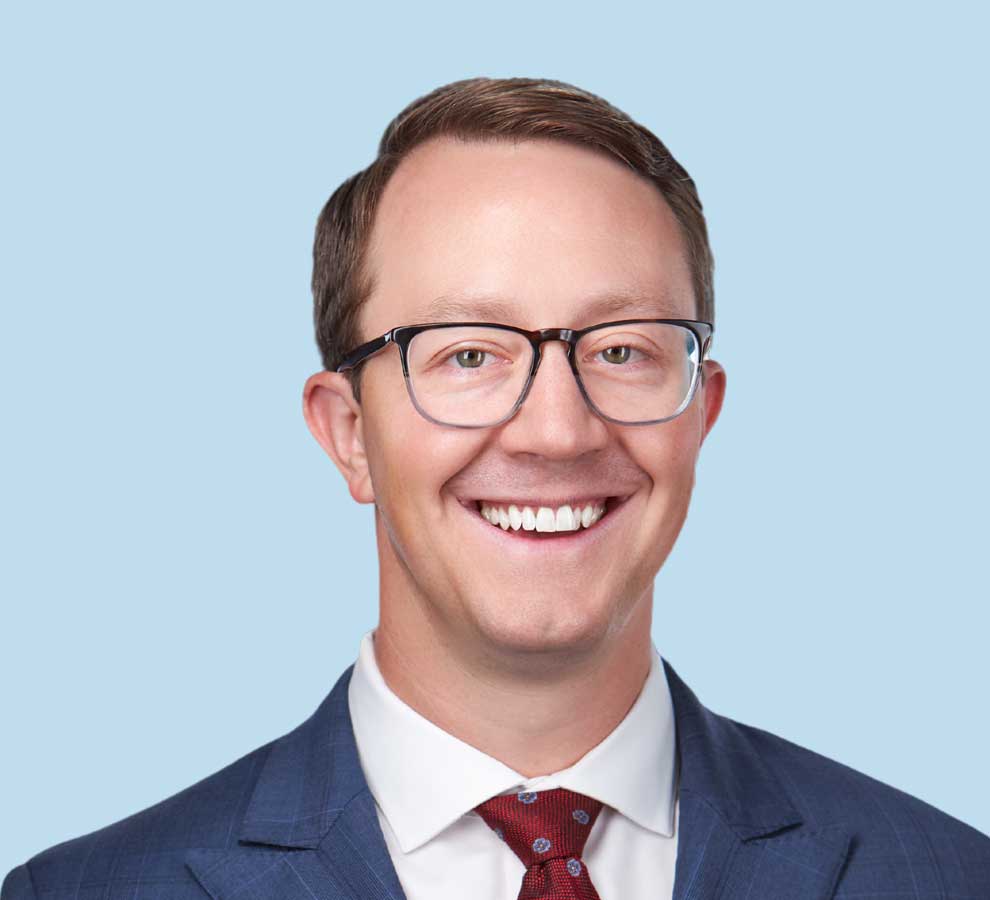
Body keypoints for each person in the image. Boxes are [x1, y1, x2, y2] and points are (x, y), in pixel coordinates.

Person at [3, 75, 988, 900]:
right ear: (349, 433)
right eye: (468, 353)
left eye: (623, 350)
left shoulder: (948, 876)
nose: (557, 430)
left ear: (701, 412)